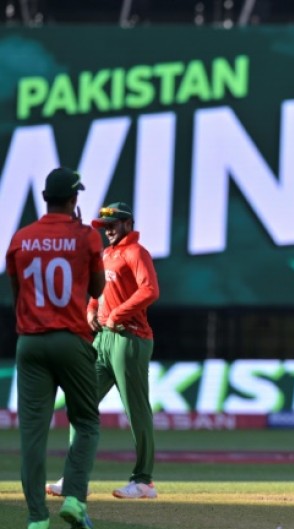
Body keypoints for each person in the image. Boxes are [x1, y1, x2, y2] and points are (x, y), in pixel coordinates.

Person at [7, 167, 105, 529]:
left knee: (32, 434)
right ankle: (75, 499)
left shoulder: (21, 238)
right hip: (71, 338)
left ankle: (36, 519)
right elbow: (97, 290)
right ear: (74, 199)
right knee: (86, 421)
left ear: (45, 198)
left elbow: (19, 297)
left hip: (30, 342)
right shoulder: (87, 237)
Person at [47, 202, 161, 500]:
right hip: (102, 340)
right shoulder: (106, 255)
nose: (108, 229)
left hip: (130, 338)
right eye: (104, 225)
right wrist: (91, 309)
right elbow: (98, 291)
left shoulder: (137, 252)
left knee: (136, 410)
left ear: (128, 223)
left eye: (114, 224)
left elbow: (150, 290)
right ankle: (74, 479)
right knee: (79, 403)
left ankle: (144, 481)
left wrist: (117, 314)